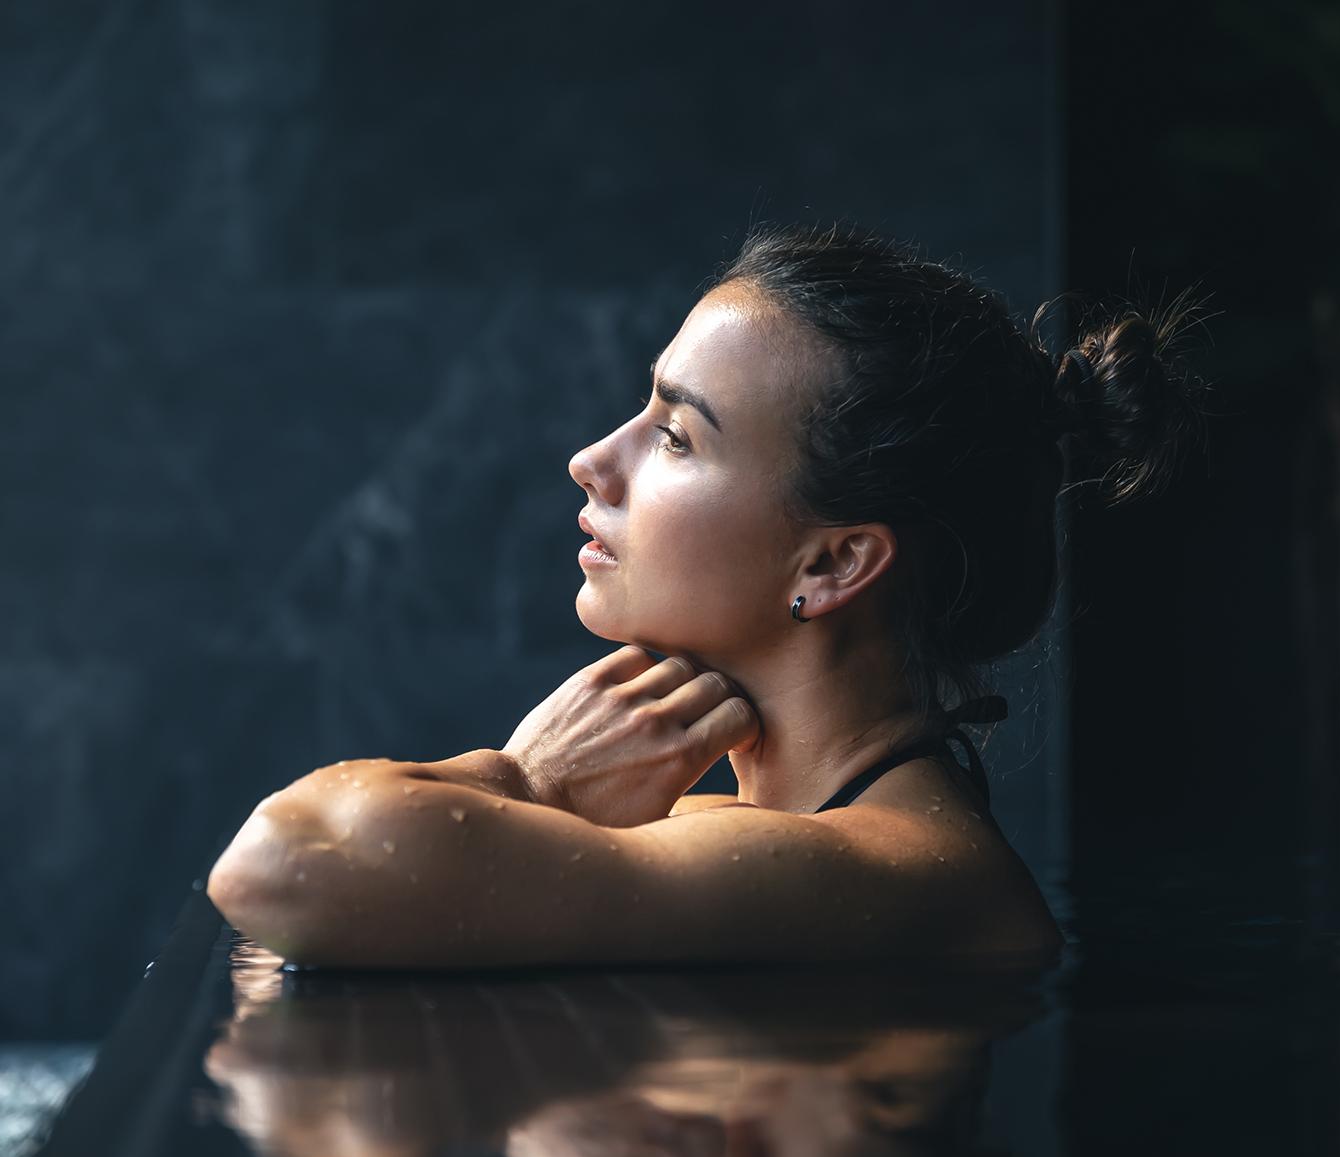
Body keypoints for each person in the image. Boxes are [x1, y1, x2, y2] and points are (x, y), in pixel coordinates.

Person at [206, 219, 1211, 970]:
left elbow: (285, 865)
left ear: (833, 565)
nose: (592, 461)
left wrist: (524, 782)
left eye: (676, 436)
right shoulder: (743, 831)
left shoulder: (875, 869)